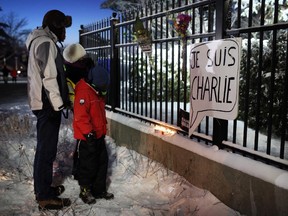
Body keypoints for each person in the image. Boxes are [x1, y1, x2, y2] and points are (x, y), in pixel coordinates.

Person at [25, 9, 72, 210]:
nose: (65, 33)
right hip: (47, 104)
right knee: (46, 150)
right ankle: (44, 196)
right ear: (56, 25)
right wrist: (59, 103)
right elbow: (49, 77)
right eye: (64, 27)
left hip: (44, 103)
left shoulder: (43, 41)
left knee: (47, 149)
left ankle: (44, 188)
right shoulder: (45, 43)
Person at [72, 55, 114, 204]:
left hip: (99, 134)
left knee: (102, 162)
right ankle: (85, 190)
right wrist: (88, 132)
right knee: (87, 165)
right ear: (92, 83)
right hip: (87, 136)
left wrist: (102, 129)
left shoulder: (97, 90)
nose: (103, 93)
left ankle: (99, 189)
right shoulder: (83, 92)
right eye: (101, 89)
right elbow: (80, 116)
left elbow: (99, 113)